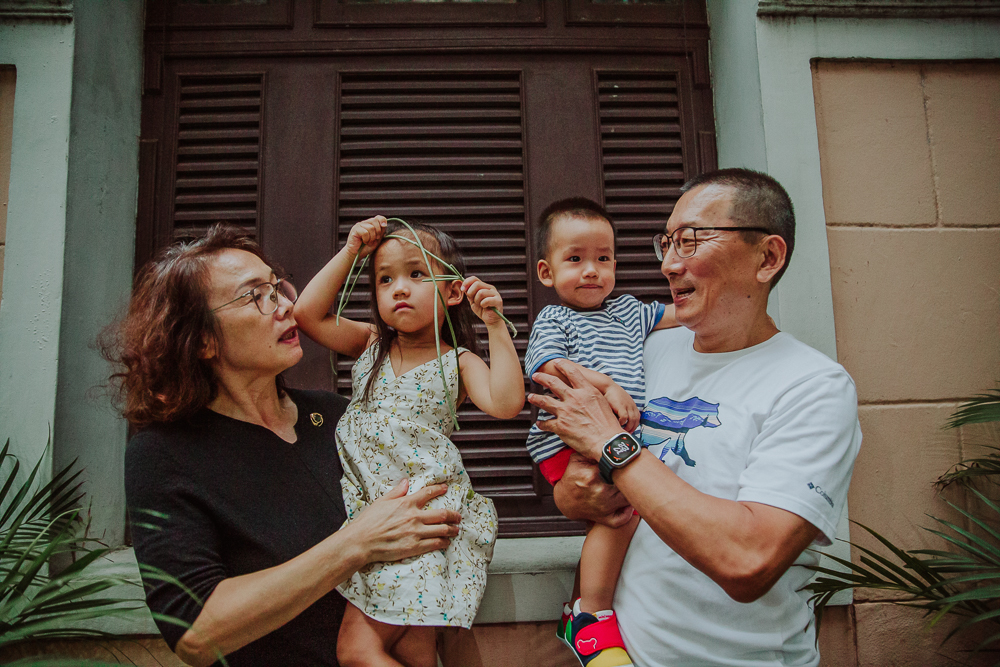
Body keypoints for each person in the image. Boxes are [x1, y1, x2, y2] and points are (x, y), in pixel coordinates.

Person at [527, 169, 862, 666]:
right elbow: (585, 478)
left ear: (766, 257)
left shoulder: (812, 386)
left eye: (689, 241)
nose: (667, 264)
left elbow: (748, 562)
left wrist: (611, 446)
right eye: (666, 243)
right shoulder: (646, 350)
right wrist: (572, 495)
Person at [108, 225, 462, 667]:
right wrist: (355, 543)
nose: (287, 306)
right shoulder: (165, 454)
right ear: (202, 339)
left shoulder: (340, 418)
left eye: (277, 288)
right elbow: (196, 634)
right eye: (255, 296)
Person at [295, 217, 524, 667]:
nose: (399, 288)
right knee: (413, 650)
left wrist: (495, 325)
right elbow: (307, 314)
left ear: (453, 292)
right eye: (385, 279)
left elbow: (506, 403)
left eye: (417, 274)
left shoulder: (457, 360)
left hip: (421, 515)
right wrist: (352, 251)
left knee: (356, 649)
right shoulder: (370, 342)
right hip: (372, 518)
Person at [523, 197, 676, 667]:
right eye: (576, 259)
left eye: (603, 259)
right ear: (546, 273)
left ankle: (591, 607)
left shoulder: (630, 311)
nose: (592, 270)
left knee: (625, 510)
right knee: (622, 512)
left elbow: (681, 313)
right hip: (566, 443)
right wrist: (607, 384)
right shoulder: (556, 319)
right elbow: (546, 367)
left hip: (614, 439)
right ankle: (590, 614)